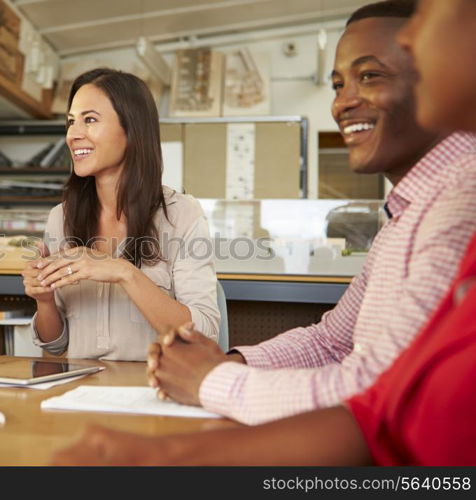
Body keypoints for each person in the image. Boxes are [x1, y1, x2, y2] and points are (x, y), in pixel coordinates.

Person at [52, 0, 476, 466]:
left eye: (369, 75)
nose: (343, 101)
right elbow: (330, 340)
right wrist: (231, 364)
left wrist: (212, 382)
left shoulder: (459, 204)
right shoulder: (411, 212)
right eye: (337, 84)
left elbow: (378, 396)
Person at [22, 68, 219, 361]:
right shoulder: (60, 218)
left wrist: (123, 272)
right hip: (82, 392)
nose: (73, 135)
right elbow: (55, 346)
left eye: (90, 120)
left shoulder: (182, 215)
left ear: (131, 130)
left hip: (155, 390)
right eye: (70, 122)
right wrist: (45, 300)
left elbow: (203, 336)